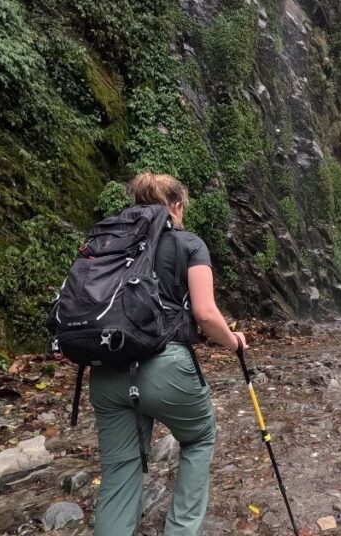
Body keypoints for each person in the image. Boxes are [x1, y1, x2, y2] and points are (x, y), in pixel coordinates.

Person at [89, 172, 246, 536]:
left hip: (106, 372)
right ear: (176, 206)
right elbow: (206, 315)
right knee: (199, 437)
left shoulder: (107, 242)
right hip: (165, 368)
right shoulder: (189, 243)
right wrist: (234, 341)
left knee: (119, 471)